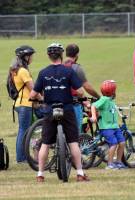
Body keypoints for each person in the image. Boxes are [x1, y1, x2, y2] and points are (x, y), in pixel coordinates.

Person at [30, 43, 89, 182]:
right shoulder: (69, 71)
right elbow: (80, 91)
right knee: (73, 142)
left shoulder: (43, 73)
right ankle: (80, 173)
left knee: (45, 143)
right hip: (67, 109)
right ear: (62, 55)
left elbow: (33, 94)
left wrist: (41, 98)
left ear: (49, 56)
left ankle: (40, 174)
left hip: (50, 110)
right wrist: (80, 97)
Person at [90, 80, 126, 170]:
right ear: (112, 91)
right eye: (114, 90)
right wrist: (94, 116)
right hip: (106, 128)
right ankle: (110, 164)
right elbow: (93, 106)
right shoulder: (104, 100)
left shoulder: (110, 100)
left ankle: (118, 162)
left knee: (122, 142)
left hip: (115, 126)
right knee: (114, 144)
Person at [64, 44, 100, 133]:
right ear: (77, 55)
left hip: (60, 101)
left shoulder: (59, 65)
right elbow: (87, 87)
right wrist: (98, 96)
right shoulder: (76, 68)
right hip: (73, 103)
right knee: (76, 133)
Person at [11, 45, 35, 163]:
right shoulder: (23, 71)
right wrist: (42, 100)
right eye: (31, 56)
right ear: (25, 57)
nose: (32, 58)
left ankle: (21, 157)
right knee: (24, 131)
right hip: (25, 104)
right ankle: (21, 158)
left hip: (19, 103)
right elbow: (33, 89)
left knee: (23, 130)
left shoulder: (15, 70)